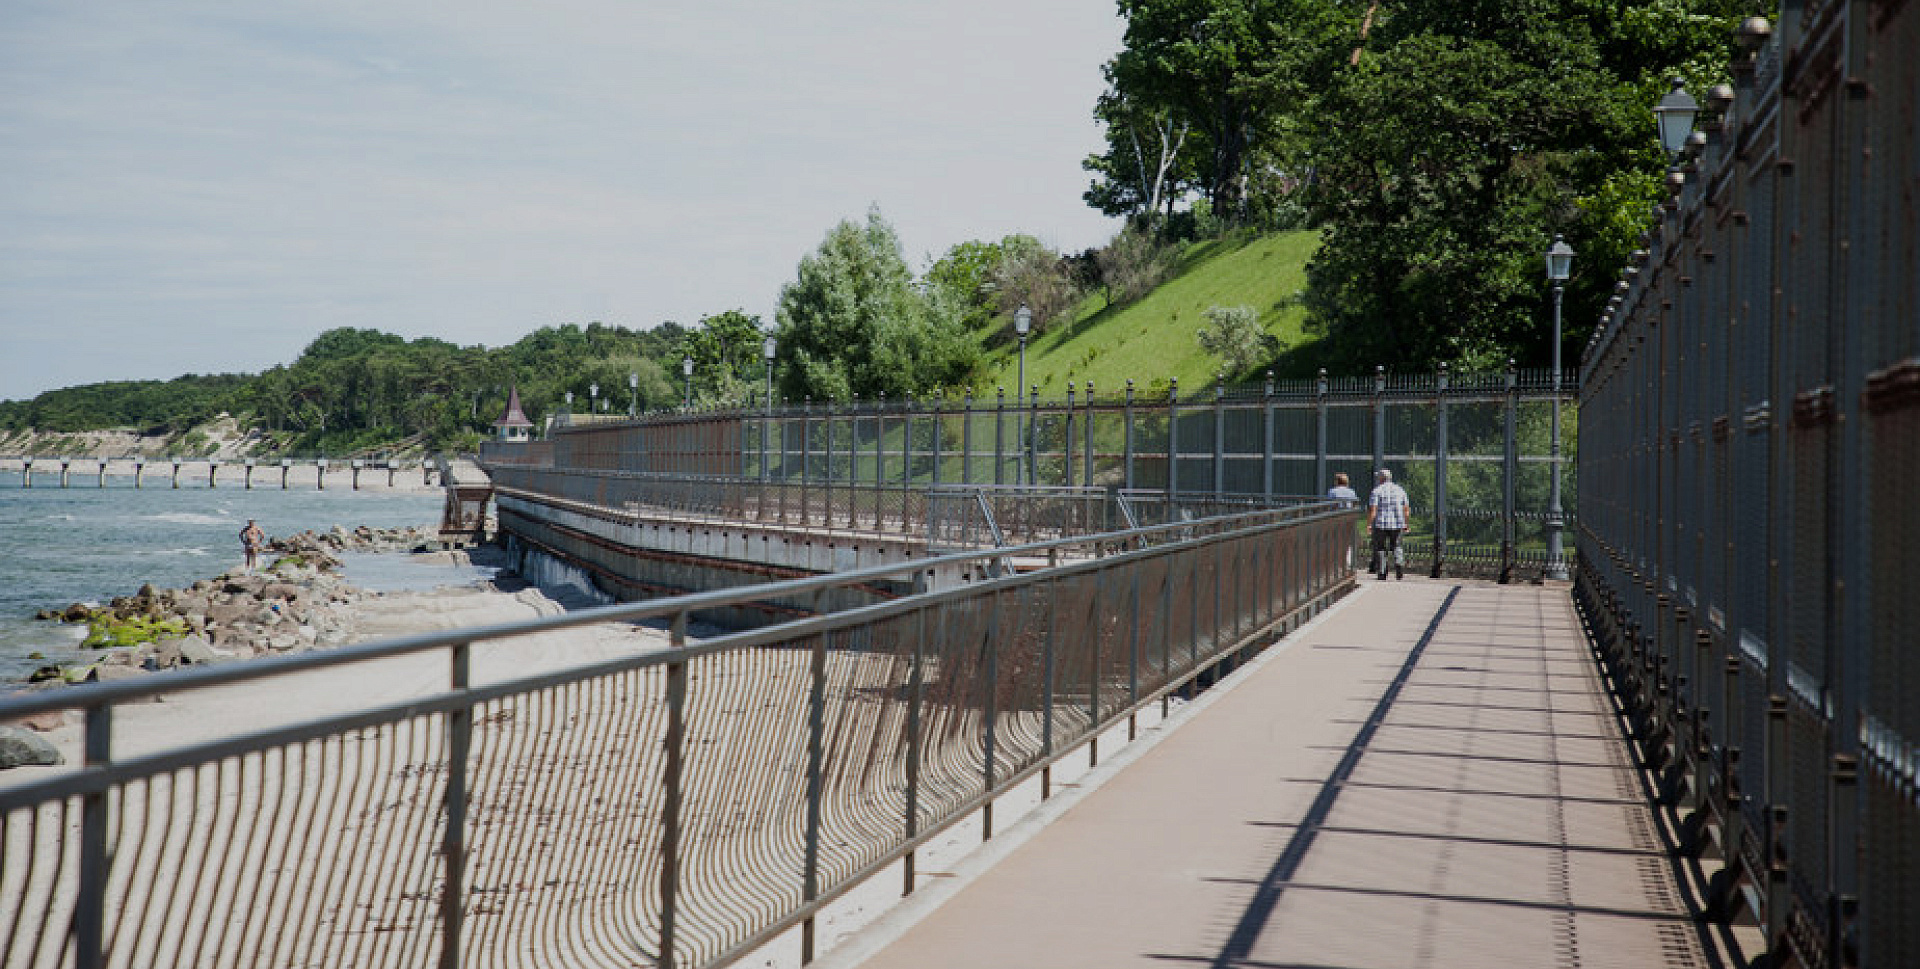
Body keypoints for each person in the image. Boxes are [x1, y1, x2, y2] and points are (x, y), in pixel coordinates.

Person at [1366, 469, 1410, 580]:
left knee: (1380, 547)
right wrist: (1406, 523)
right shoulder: (1400, 490)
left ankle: (1382, 572)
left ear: (1381, 479)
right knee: (1397, 546)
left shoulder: (1377, 491)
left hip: (1381, 524)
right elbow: (1406, 509)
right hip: (1398, 523)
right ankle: (1399, 562)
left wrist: (1369, 524)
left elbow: (1373, 509)